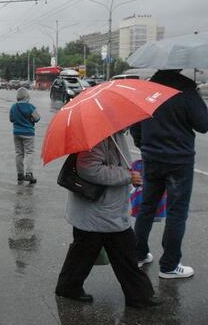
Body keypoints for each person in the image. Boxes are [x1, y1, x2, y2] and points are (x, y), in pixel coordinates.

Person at [55, 132, 162, 308]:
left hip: (102, 209)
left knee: (84, 251)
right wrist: (127, 176)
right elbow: (88, 168)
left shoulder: (113, 134)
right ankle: (139, 296)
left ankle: (68, 287)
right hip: (100, 210)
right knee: (124, 251)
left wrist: (129, 176)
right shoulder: (99, 137)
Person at [131, 69, 208, 279]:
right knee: (177, 213)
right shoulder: (186, 91)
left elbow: (135, 125)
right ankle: (169, 266)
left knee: (146, 207)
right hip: (179, 161)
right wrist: (196, 95)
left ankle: (138, 254)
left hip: (151, 159)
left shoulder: (147, 90)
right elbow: (203, 124)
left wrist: (145, 146)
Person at [9, 87, 40, 183]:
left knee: (19, 153)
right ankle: (29, 173)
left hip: (17, 133)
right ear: (26, 96)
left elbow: (11, 119)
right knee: (29, 153)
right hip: (28, 133)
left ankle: (20, 174)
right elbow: (37, 118)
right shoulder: (30, 107)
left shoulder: (13, 107)